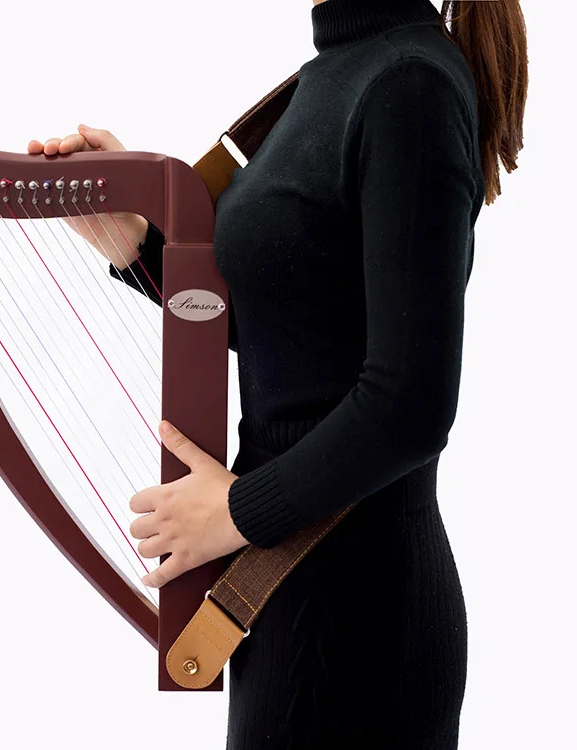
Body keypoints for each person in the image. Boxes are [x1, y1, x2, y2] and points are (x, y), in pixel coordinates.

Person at [28, 0, 528, 746]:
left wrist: (234, 513)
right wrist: (136, 246)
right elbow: (299, 330)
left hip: (357, 623)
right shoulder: (336, 70)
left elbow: (412, 403)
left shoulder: (408, 84)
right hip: (285, 602)